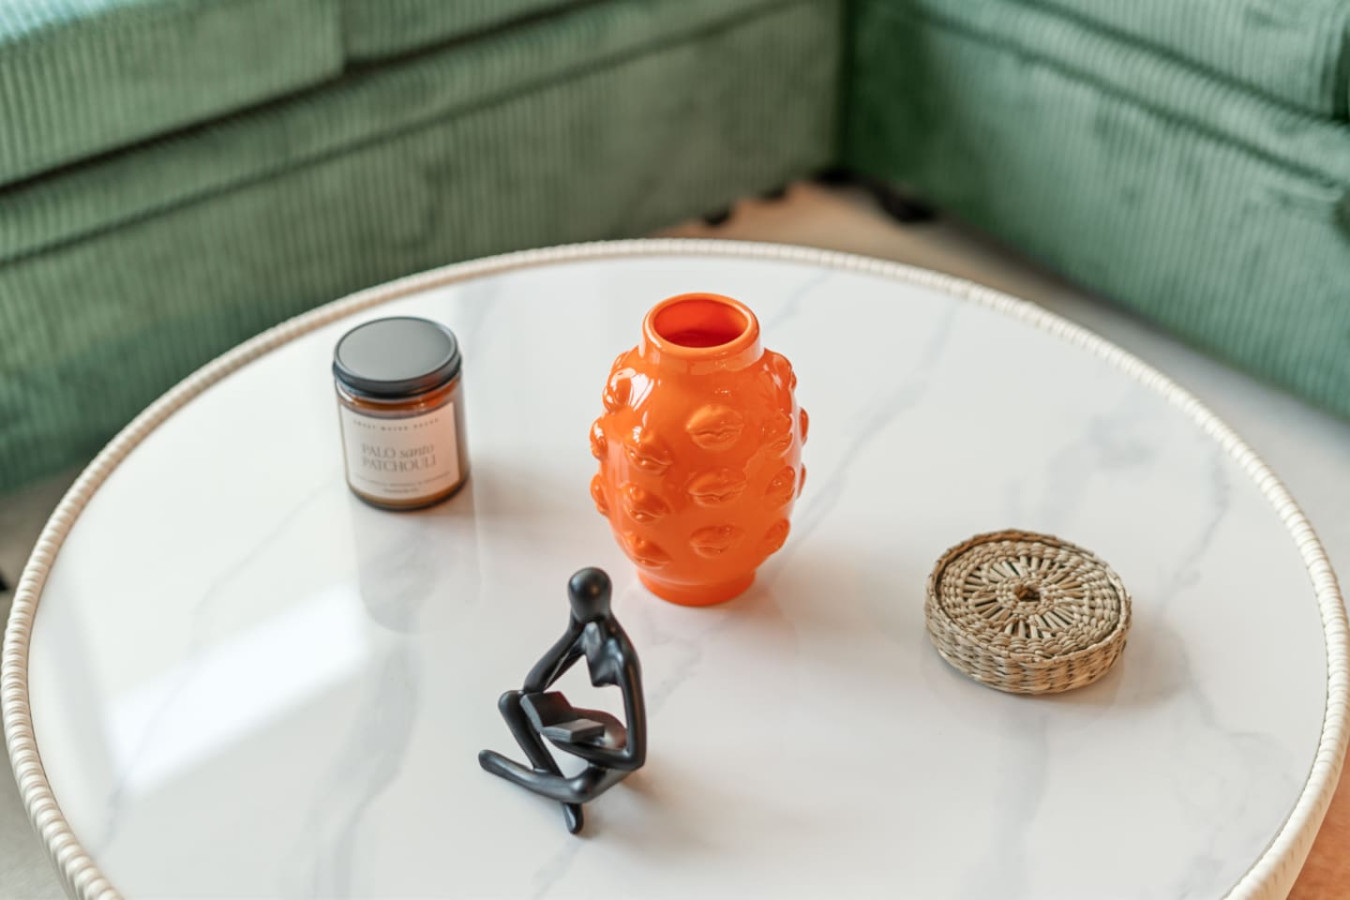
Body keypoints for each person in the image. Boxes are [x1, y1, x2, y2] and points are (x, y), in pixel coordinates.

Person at [479, 568, 646, 834]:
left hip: (613, 745)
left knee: (582, 788)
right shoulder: (586, 634)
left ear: (601, 604)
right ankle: (547, 775)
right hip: (583, 730)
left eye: (582, 606)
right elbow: (532, 686)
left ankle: (565, 794)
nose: (577, 610)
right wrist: (571, 633)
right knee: (510, 702)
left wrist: (581, 744)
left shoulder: (620, 657)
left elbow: (635, 757)